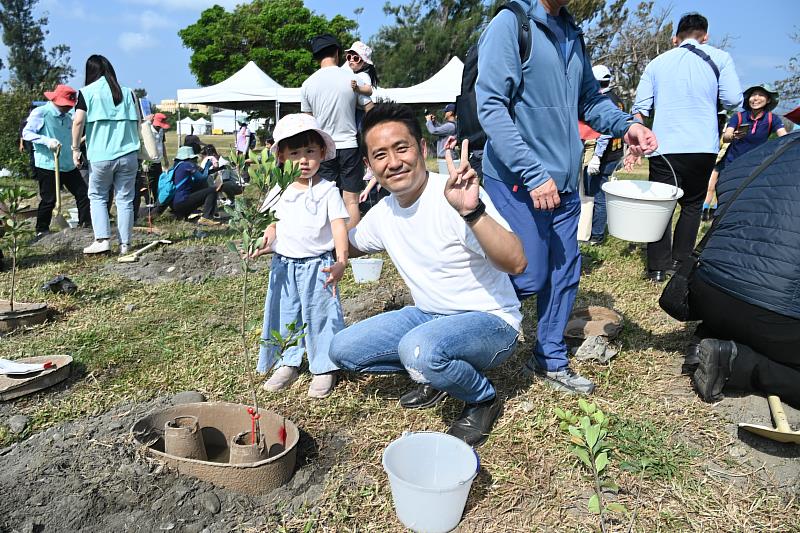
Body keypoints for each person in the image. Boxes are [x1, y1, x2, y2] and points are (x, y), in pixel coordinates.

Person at [476, 0, 658, 394]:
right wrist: (531, 172)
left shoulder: (572, 33)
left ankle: (550, 359)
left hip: (562, 183)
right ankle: (456, 331)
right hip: (517, 181)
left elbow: (588, 100)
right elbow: (491, 106)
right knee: (528, 275)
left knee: (564, 273)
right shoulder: (512, 25)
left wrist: (626, 126)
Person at [329, 103, 528, 447]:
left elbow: (516, 263)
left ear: (422, 148)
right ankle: (432, 371)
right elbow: (351, 243)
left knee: (419, 349)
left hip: (490, 322)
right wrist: (290, 232)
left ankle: (482, 398)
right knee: (342, 349)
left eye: (401, 148)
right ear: (369, 166)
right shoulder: (384, 212)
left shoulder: (454, 195)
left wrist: (472, 211)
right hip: (427, 316)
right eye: (380, 155)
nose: (393, 162)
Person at [688, 132, 800, 408]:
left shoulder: (764, 151)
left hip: (708, 293)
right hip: (772, 311)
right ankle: (742, 367)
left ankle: (719, 338)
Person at [631, 12, 742, 283]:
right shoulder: (720, 58)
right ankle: (681, 263)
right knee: (692, 205)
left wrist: (638, 135)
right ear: (705, 37)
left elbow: (640, 108)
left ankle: (657, 267)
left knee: (662, 206)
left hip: (664, 145)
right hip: (702, 145)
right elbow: (733, 100)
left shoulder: (657, 63)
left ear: (674, 39)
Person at [251, 114, 349, 399]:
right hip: (283, 266)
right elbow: (270, 225)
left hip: (319, 266)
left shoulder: (328, 190)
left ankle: (323, 366)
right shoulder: (278, 190)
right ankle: (287, 361)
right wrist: (262, 242)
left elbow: (338, 227)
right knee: (286, 314)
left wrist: (341, 261)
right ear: (281, 155)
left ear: (321, 153)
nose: (303, 160)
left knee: (321, 316)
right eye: (295, 153)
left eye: (309, 152)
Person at [71, 55, 141, 256]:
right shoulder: (129, 93)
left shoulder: (87, 92)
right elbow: (137, 122)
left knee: (98, 196)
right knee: (125, 199)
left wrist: (75, 149)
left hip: (101, 155)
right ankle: (125, 244)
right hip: (129, 154)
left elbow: (78, 122)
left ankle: (102, 240)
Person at [301, 34, 370, 230]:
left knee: (323, 198)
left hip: (323, 149)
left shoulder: (307, 84)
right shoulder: (352, 79)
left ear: (316, 57)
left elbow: (307, 123)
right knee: (351, 201)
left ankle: (329, 243)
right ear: (337, 53)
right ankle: (350, 244)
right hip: (350, 146)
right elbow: (370, 109)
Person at [702, 84, 788, 218]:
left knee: (740, 191)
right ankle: (709, 212)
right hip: (731, 161)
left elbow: (784, 137)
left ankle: (725, 213)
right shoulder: (739, 116)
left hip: (754, 164)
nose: (756, 98)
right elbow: (726, 137)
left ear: (768, 100)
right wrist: (732, 135)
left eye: (761, 95)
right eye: (753, 95)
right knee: (720, 186)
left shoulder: (772, 119)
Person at [22, 84, 91, 237]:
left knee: (83, 194)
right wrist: (47, 141)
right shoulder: (41, 113)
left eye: (70, 105)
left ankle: (85, 226)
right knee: (49, 199)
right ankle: (42, 230)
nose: (68, 108)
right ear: (56, 100)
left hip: (67, 164)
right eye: (65, 105)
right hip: (48, 164)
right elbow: (26, 133)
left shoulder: (68, 118)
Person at [583, 65, 625, 245]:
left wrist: (596, 157)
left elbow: (605, 132)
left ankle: (596, 234)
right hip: (615, 153)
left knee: (596, 195)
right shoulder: (617, 98)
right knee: (598, 193)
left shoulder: (604, 100)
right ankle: (595, 229)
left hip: (605, 156)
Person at [167, 146, 222, 226]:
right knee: (212, 190)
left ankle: (184, 215)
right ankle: (206, 218)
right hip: (182, 202)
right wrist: (207, 165)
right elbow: (202, 178)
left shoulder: (178, 165)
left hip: (175, 204)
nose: (195, 160)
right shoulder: (187, 165)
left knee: (202, 186)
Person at [343, 40, 378, 129]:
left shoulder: (363, 75)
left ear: (364, 64)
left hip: (362, 112)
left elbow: (369, 90)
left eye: (356, 58)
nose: (351, 60)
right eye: (349, 57)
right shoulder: (352, 74)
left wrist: (357, 88)